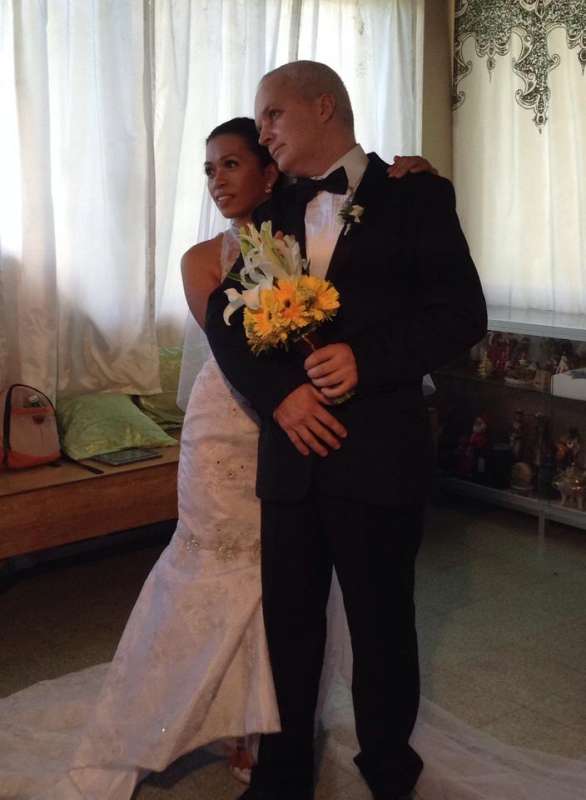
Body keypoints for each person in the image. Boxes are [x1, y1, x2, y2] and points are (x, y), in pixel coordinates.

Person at [0, 115, 435, 800]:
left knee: (286, 592)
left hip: (309, 424)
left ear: (270, 170)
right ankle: (182, 714)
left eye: (231, 164)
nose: (217, 181)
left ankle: (264, 730)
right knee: (217, 572)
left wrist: (409, 174)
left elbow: (370, 276)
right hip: (231, 421)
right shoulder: (202, 258)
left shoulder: (312, 225)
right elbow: (240, 347)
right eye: (208, 169)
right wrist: (287, 389)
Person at [205, 62, 488, 800]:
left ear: (323, 106)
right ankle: (282, 780)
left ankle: (389, 775)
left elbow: (462, 313)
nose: (263, 132)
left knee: (382, 629)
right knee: (290, 630)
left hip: (379, 456)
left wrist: (368, 359)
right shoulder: (271, 211)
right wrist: (281, 399)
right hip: (293, 460)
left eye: (271, 115)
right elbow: (224, 320)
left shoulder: (414, 194)